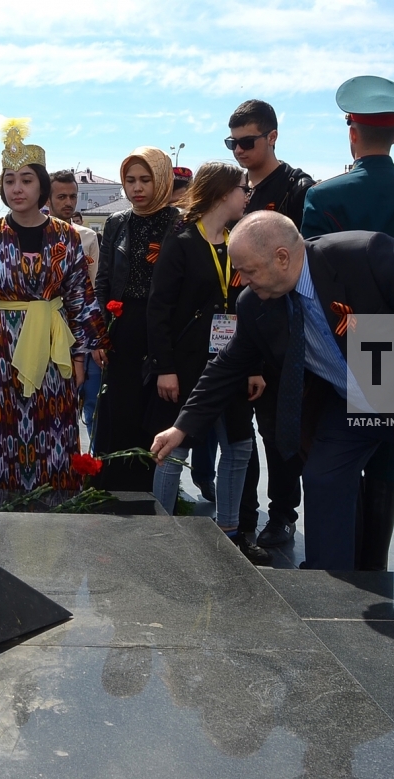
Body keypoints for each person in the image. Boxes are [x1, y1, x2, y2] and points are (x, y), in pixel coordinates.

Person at [152, 211, 394, 607]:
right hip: (352, 399)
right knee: (323, 477)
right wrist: (181, 429)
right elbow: (228, 365)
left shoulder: (365, 254)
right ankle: (328, 588)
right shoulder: (256, 304)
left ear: (282, 257)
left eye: (248, 270)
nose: (242, 281)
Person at [301, 76, 394, 571]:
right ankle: (375, 559)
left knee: (337, 458)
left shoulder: (324, 197)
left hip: (344, 339)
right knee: (390, 455)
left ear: (352, 132)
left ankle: (337, 565)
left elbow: (317, 279)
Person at [0, 119, 106, 491]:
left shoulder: (66, 237)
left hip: (54, 351)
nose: (17, 189)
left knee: (51, 425)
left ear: (42, 186)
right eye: (9, 181)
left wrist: (80, 359)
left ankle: (52, 507)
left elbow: (81, 300)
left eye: (26, 180)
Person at [147, 163, 268, 564]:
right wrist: (165, 366)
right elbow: (159, 308)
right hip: (186, 366)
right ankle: (162, 529)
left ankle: (230, 530)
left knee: (239, 446)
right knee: (174, 448)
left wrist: (253, 365)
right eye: (241, 189)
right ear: (221, 193)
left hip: (232, 364)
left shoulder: (239, 241)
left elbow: (248, 309)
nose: (246, 196)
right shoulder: (181, 241)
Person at [225, 99, 316, 551]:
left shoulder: (298, 188)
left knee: (281, 430)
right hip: (245, 325)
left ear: (272, 137)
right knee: (241, 429)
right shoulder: (233, 191)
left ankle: (282, 515)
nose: (239, 150)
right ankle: (243, 514)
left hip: (289, 331)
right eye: (232, 142)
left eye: (248, 141)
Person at [92, 148, 180, 488]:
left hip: (161, 327)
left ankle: (148, 489)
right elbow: (103, 280)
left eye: (145, 180)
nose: (137, 188)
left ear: (161, 180)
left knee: (154, 414)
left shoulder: (179, 221)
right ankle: (114, 487)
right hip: (122, 325)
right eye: (130, 180)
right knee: (120, 408)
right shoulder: (117, 222)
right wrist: (101, 331)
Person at [48, 169, 102, 429]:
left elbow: (94, 285)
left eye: (72, 196)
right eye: (61, 197)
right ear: (47, 199)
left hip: (81, 326)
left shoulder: (87, 237)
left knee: (89, 401)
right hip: (47, 325)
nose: (68, 203)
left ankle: (89, 463)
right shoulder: (38, 236)